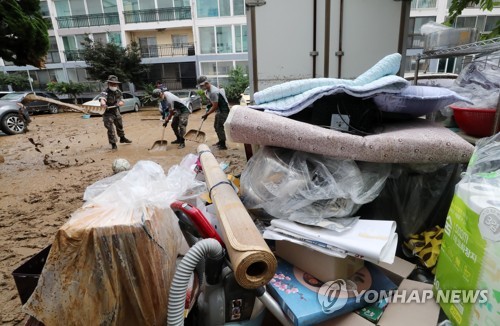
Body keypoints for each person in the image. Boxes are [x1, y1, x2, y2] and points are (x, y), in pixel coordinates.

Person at [98, 75, 132, 150]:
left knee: (120, 125)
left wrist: (119, 103)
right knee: (110, 128)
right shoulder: (105, 91)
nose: (113, 85)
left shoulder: (118, 91)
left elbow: (122, 101)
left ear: (117, 84)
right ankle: (113, 144)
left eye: (115, 84)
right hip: (107, 113)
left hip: (116, 111)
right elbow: (102, 99)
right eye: (112, 83)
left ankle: (122, 138)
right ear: (108, 84)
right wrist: (103, 104)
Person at [197, 76, 230, 150]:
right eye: (200, 86)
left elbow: (215, 106)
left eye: (202, 86)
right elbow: (213, 103)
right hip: (219, 110)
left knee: (219, 127)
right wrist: (209, 106)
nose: (201, 87)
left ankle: (223, 145)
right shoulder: (208, 91)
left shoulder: (213, 92)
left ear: (206, 83)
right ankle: (220, 141)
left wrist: (207, 114)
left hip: (223, 111)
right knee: (216, 126)